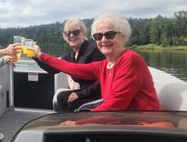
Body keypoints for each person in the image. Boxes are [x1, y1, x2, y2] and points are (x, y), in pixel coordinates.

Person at [33, 13, 161, 111]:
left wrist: (78, 123)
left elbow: (114, 106)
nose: (103, 40)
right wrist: (39, 55)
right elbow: (71, 68)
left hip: (142, 126)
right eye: (98, 36)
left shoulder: (130, 59)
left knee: (75, 112)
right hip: (122, 120)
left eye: (110, 34)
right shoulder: (105, 65)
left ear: (123, 35)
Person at [33, 19, 105, 112]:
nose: (71, 36)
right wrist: (35, 57)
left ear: (83, 34)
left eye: (75, 32)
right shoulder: (70, 54)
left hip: (99, 94)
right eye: (68, 33)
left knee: (73, 103)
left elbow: (101, 81)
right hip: (86, 92)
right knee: (61, 97)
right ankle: (66, 123)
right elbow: (53, 69)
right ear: (65, 37)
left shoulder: (94, 50)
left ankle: (72, 124)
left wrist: (80, 94)